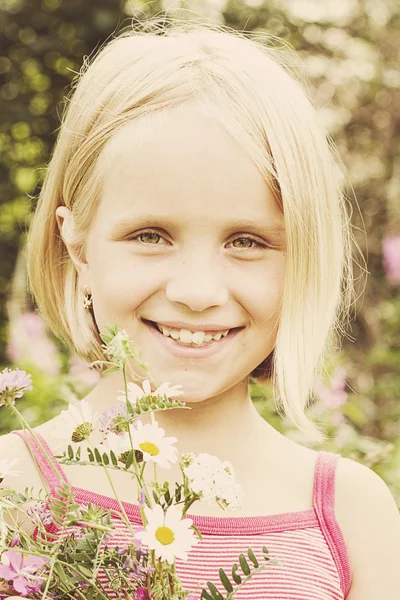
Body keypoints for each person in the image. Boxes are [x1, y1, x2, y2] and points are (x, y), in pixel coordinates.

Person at [1, 18, 400, 600]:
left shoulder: (352, 518)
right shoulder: (12, 488)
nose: (197, 290)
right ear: (77, 245)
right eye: (150, 235)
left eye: (248, 242)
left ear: (302, 260)